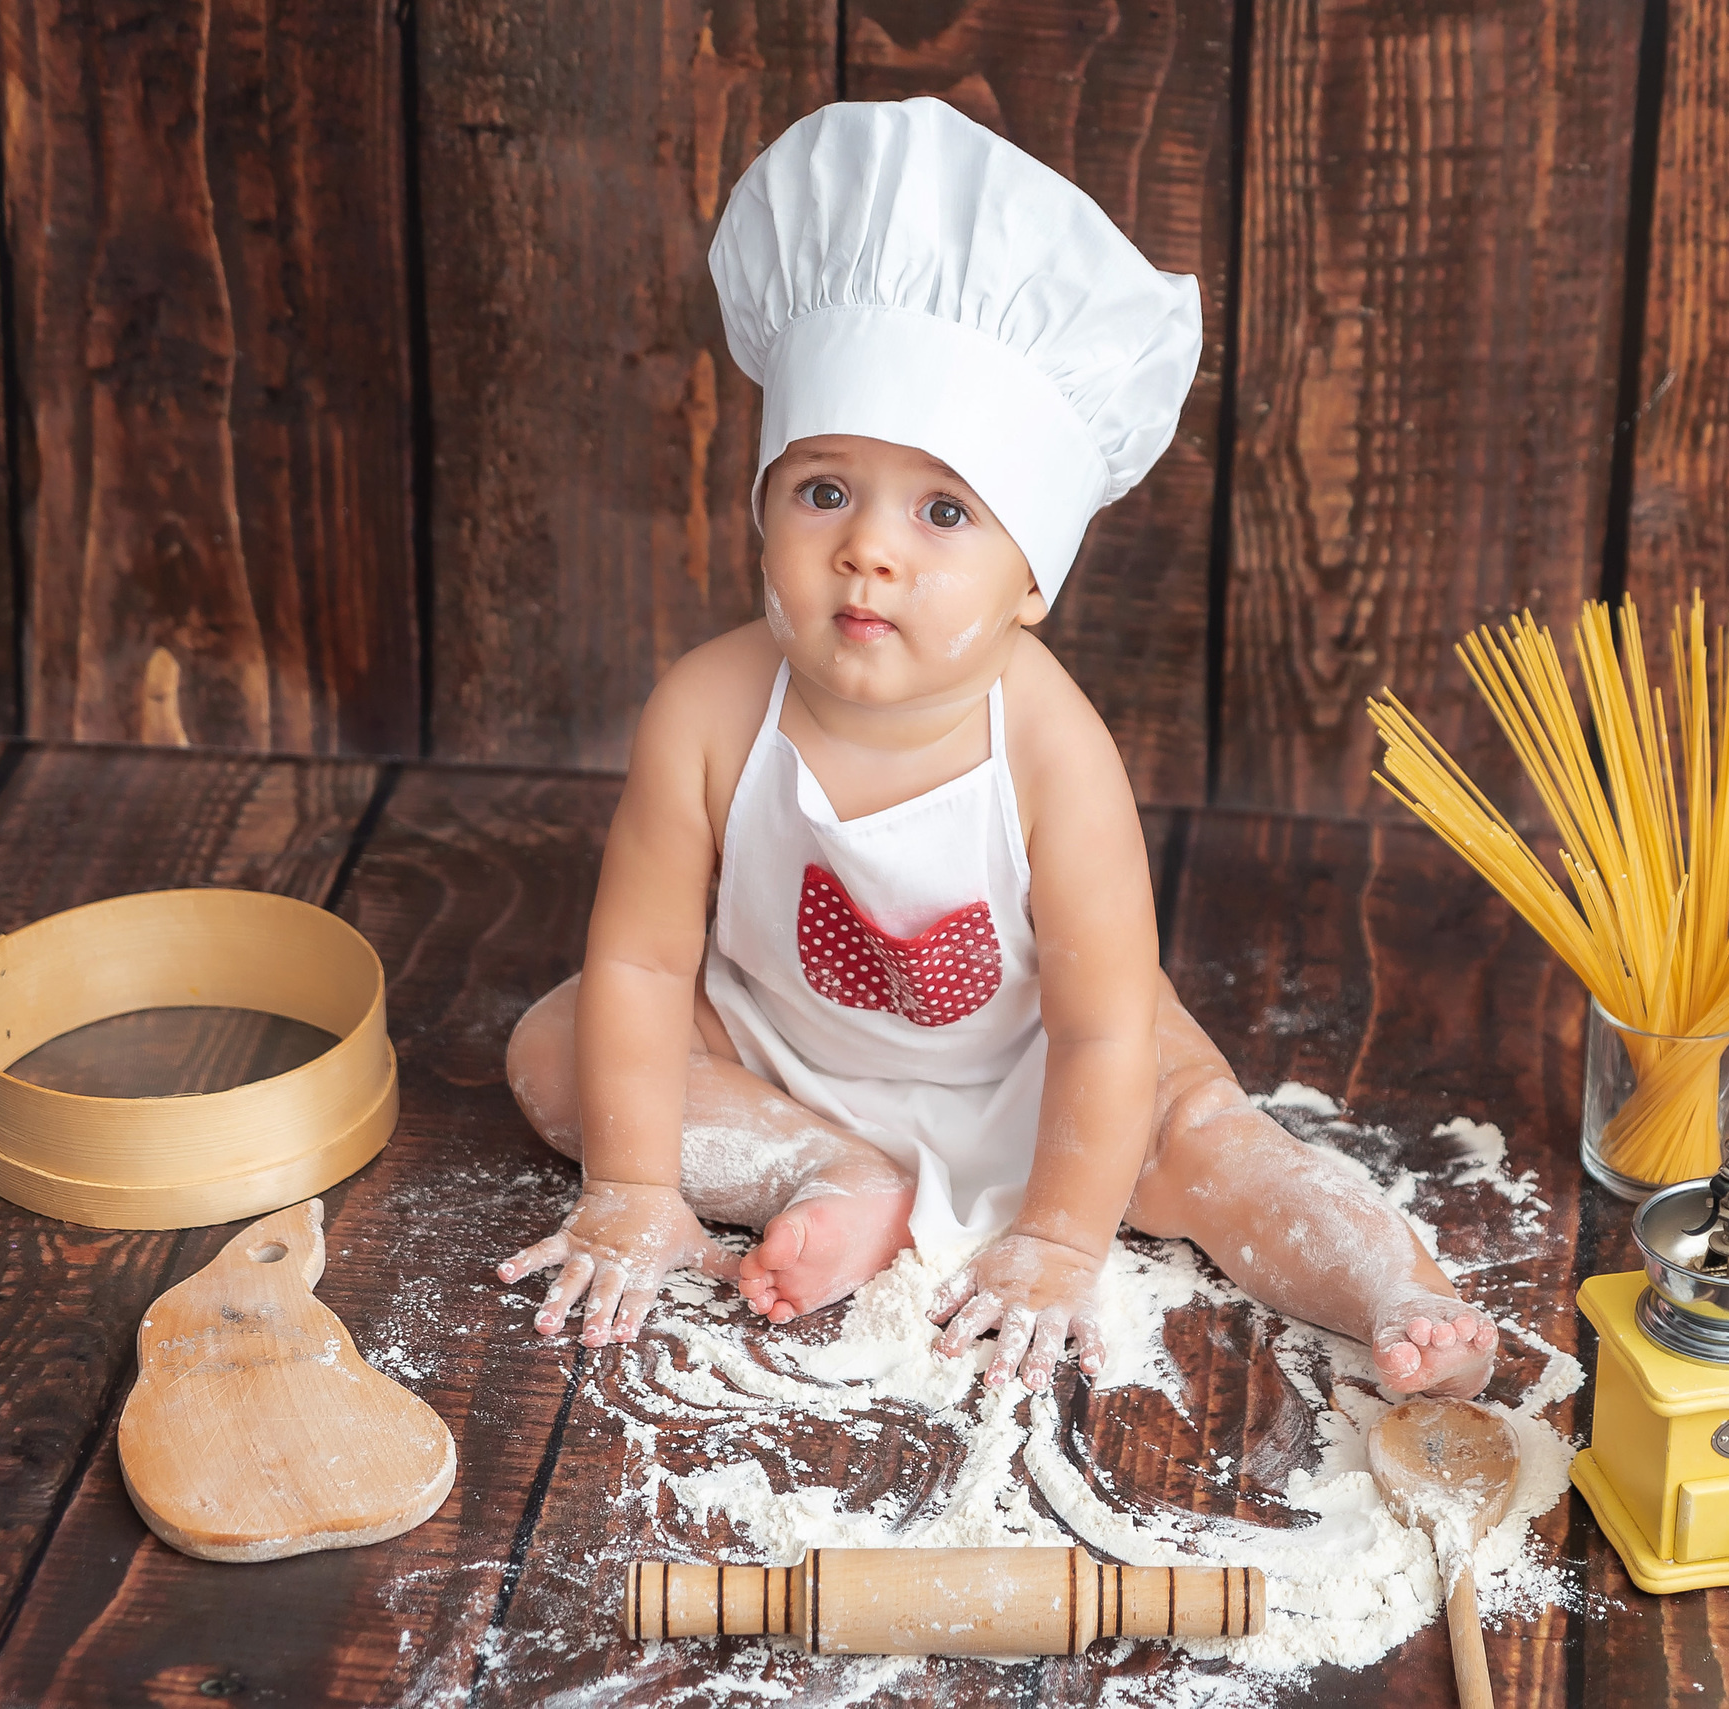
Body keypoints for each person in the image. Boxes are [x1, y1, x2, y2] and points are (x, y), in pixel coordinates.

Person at [501, 99, 1496, 1399]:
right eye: (822, 491)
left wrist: (1059, 1236)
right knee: (555, 1045)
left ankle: (1393, 1288)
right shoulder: (703, 708)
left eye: (943, 510)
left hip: (1048, 1074)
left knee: (1208, 1143)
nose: (870, 546)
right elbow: (639, 959)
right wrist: (630, 1185)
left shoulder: (1049, 747)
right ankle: (827, 1168)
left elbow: (1097, 1033)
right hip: (768, 1045)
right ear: (760, 514)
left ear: (1035, 578)